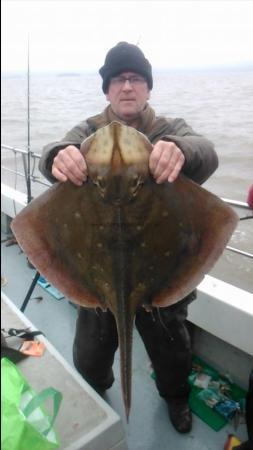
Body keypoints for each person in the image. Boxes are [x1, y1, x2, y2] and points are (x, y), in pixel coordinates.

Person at [39, 42, 218, 433]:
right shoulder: (87, 132)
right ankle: (97, 388)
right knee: (89, 356)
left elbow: (207, 152)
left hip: (160, 276)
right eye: (118, 79)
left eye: (136, 78)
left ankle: (175, 398)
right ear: (106, 89)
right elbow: (51, 154)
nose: (127, 86)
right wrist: (59, 155)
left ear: (148, 88)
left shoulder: (169, 130)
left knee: (172, 353)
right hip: (97, 275)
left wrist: (181, 151)